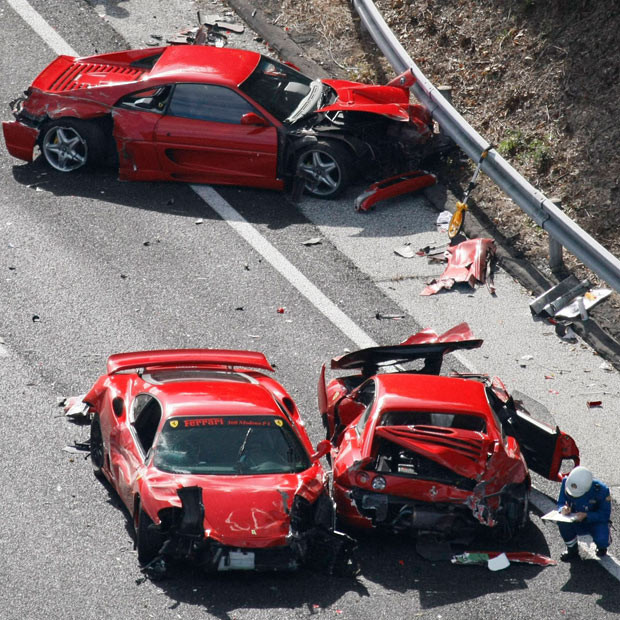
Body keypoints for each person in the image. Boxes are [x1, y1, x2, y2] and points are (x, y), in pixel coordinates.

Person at [557, 466, 612, 561]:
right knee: (562, 522)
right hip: (575, 519)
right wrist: (563, 509)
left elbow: (604, 514)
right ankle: (572, 549)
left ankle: (602, 546)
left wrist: (587, 515)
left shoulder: (601, 490)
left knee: (602, 539)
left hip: (594, 521)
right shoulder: (566, 482)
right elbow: (561, 502)